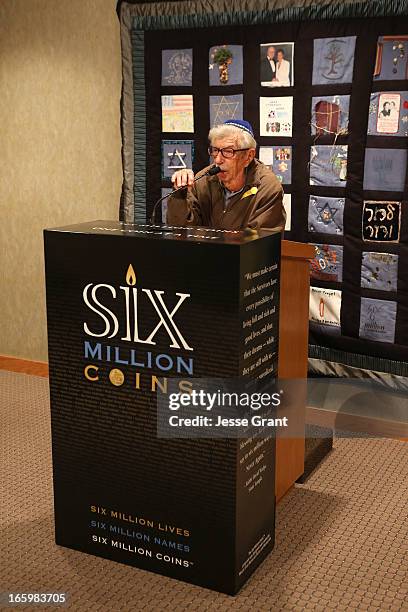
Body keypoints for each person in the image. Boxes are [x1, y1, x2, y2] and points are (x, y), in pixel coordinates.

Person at [166, 119, 285, 232]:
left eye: (228, 152)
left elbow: (260, 243)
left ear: (248, 156)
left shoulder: (267, 187)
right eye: (215, 150)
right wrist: (179, 194)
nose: (217, 160)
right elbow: (181, 232)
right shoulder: (203, 180)